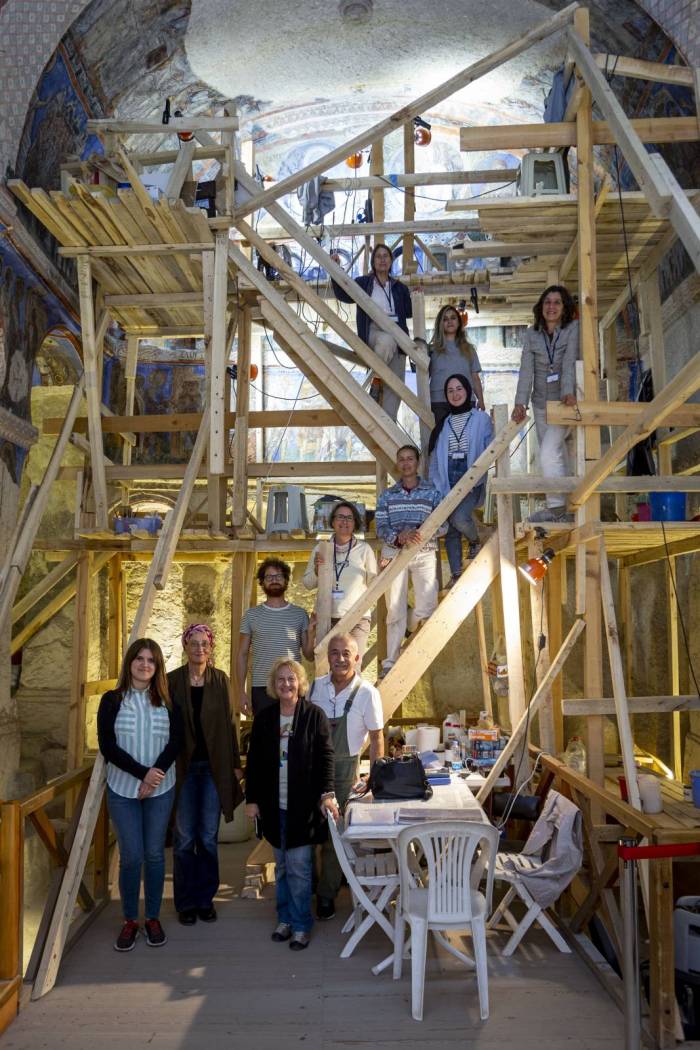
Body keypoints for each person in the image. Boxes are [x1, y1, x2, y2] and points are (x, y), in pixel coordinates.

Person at [97, 638, 183, 952]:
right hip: (122, 789)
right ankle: (130, 920)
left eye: (151, 660)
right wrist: (141, 774)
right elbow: (108, 745)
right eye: (139, 659)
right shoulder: (112, 700)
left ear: (157, 667)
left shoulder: (168, 700)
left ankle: (153, 917)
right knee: (132, 856)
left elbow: (176, 742)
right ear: (130, 663)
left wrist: (154, 774)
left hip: (161, 788)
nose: (144, 665)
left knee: (155, 855)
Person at [245, 658, 337, 951]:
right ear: (274, 685)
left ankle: (300, 925)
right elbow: (256, 763)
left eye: (292, 679)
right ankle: (284, 919)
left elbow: (326, 759)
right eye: (281, 679)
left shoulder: (314, 716)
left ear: (301, 683)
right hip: (274, 806)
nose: (286, 684)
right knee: (282, 866)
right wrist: (252, 800)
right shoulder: (265, 718)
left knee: (299, 867)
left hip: (302, 807)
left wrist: (326, 793)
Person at [168, 623, 243, 926]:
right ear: (185, 646)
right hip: (183, 767)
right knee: (185, 837)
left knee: (208, 837)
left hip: (213, 767)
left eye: (205, 644)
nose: (199, 649)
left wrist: (236, 763)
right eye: (194, 643)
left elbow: (228, 723)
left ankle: (205, 899)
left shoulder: (220, 680)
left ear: (211, 648)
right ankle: (185, 902)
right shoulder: (171, 680)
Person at [310, 633, 384, 920]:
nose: (340, 658)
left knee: (333, 835)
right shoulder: (315, 687)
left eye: (346, 653)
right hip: (311, 768)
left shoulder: (367, 693)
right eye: (334, 653)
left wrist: (375, 779)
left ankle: (326, 896)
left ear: (357, 658)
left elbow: (377, 739)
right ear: (328, 657)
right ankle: (309, 888)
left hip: (344, 772)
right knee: (309, 832)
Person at [511, 285, 579, 522]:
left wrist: (569, 393)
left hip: (563, 403)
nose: (551, 307)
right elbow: (526, 370)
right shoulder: (532, 334)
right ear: (541, 307)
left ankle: (557, 508)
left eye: (557, 302)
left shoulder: (572, 329)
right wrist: (520, 403)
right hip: (540, 403)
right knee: (555, 453)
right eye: (547, 302)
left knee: (549, 452)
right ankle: (569, 508)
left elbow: (569, 362)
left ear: (564, 307)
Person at [375, 445, 444, 676]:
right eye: (402, 459)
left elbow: (443, 525)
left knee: (427, 606)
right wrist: (398, 537)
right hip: (394, 554)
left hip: (424, 552)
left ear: (417, 462)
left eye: (410, 459)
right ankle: (390, 662)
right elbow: (381, 526)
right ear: (398, 463)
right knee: (394, 608)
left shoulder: (432, 492)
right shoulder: (388, 495)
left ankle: (410, 627)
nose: (406, 463)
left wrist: (420, 533)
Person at [329, 243, 412, 421]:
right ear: (373, 262)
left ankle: (390, 429)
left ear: (391, 261)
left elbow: (409, 312)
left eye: (386, 256)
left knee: (395, 389)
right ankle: (374, 380)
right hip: (374, 331)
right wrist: (335, 270)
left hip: (398, 338)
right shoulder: (364, 283)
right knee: (386, 341)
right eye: (378, 256)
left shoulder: (399, 287)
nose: (382, 259)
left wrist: (417, 295)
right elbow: (344, 294)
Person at [428, 374, 494, 585]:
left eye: (459, 389)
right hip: (449, 480)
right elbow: (437, 458)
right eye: (450, 391)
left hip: (472, 479)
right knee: (451, 530)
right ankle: (456, 575)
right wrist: (439, 486)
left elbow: (490, 447)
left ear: (468, 391)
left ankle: (476, 540)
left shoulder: (481, 419)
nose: (455, 394)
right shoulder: (444, 423)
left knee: (459, 518)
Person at [238, 557, 314, 717]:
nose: (274, 580)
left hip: (292, 684)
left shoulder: (300, 614)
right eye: (269, 577)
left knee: (294, 737)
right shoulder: (251, 616)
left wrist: (312, 633)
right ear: (262, 582)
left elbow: (309, 655)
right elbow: (242, 655)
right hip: (262, 687)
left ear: (286, 581)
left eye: (278, 576)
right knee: (265, 740)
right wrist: (240, 692)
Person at [302, 501, 377, 661]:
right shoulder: (320, 549)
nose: (345, 521)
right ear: (333, 521)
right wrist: (317, 570)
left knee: (352, 668)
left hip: (357, 618)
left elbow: (374, 584)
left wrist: (384, 570)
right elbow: (308, 584)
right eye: (341, 517)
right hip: (325, 617)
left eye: (349, 518)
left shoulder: (364, 550)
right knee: (326, 667)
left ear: (355, 523)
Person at [429, 304, 485, 426]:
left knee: (466, 441)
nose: (449, 321)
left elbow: (475, 377)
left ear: (459, 322)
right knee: (442, 441)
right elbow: (423, 376)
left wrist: (481, 399)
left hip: (466, 400)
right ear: (440, 324)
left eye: (453, 318)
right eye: (445, 319)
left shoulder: (469, 349)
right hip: (439, 402)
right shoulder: (431, 350)